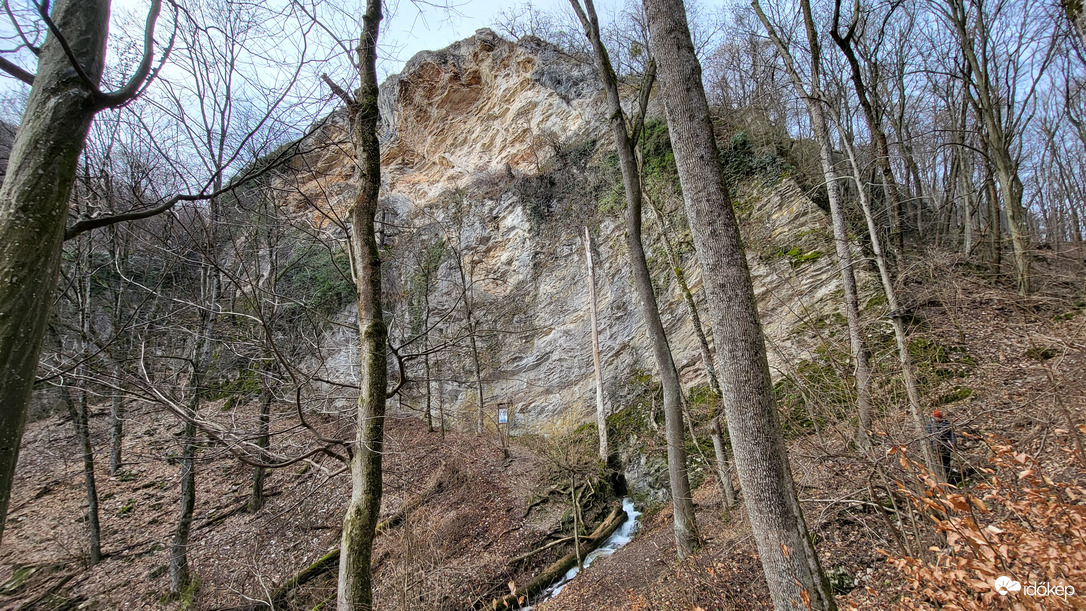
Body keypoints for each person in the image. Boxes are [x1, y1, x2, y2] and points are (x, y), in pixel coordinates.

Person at [927, 410, 958, 480]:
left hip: (946, 445)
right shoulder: (930, 425)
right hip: (936, 446)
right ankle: (941, 477)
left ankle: (948, 476)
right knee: (939, 463)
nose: (935, 419)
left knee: (946, 461)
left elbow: (951, 434)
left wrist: (954, 443)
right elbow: (929, 436)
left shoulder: (946, 423)